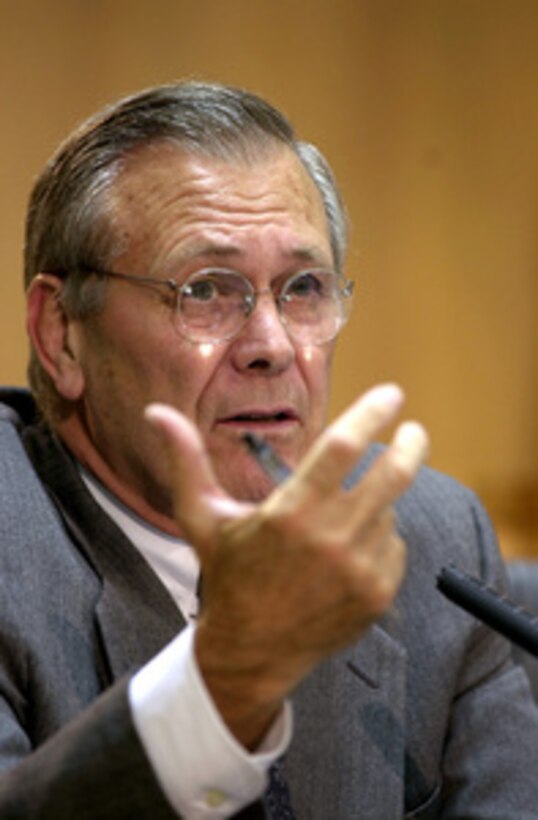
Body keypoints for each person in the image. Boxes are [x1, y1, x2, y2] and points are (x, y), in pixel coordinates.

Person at [0, 81, 536, 819]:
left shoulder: (430, 537)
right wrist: (230, 672)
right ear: (62, 332)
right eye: (207, 290)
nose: (272, 346)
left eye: (304, 287)